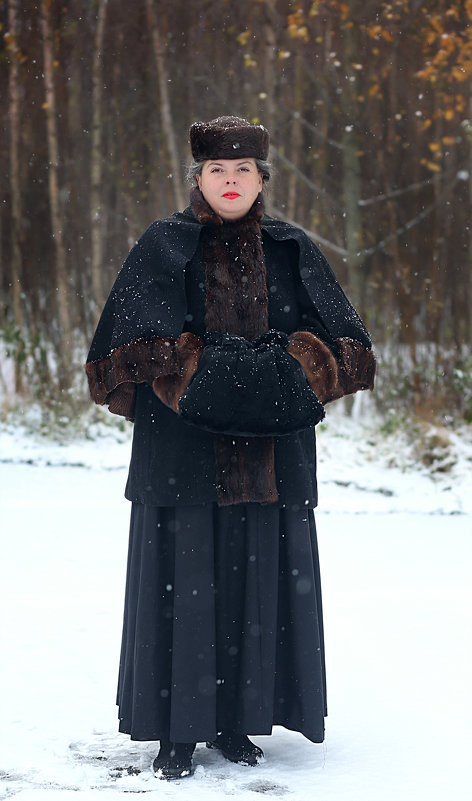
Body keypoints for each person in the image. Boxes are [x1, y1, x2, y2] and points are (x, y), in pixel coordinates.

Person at [85, 116, 375, 780]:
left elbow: (348, 346)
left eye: (243, 170)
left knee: (256, 579)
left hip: (275, 456)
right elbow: (125, 349)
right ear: (199, 178)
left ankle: (241, 722)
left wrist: (289, 370)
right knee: (183, 584)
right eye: (218, 170)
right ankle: (176, 731)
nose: (231, 181)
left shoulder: (292, 246)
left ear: (262, 178)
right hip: (180, 454)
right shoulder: (164, 244)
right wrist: (199, 374)